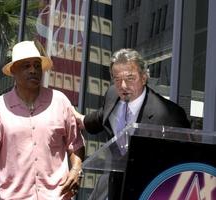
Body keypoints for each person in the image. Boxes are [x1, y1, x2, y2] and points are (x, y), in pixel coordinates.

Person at [0, 41, 85, 200]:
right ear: (13, 71)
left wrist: (76, 170)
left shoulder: (60, 102)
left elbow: (76, 144)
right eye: (26, 66)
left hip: (57, 196)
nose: (33, 70)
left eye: (37, 65)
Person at [72, 48, 190, 200]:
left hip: (148, 189)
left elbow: (182, 161)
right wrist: (80, 120)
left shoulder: (170, 115)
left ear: (144, 77)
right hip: (115, 186)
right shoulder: (112, 94)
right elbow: (102, 116)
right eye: (117, 79)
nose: (123, 86)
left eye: (130, 78)